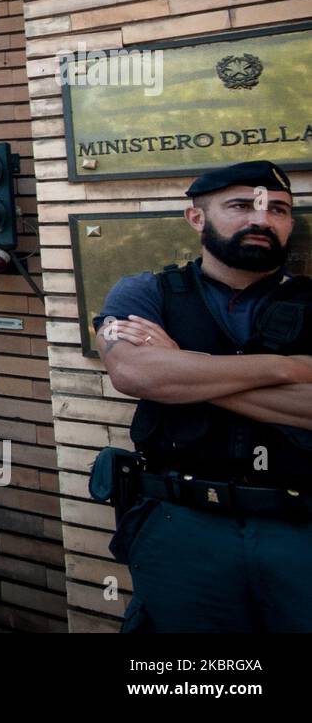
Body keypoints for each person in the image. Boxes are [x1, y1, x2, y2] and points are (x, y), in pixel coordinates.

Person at [90, 160, 312, 632]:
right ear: (197, 218)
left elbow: (161, 378)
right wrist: (287, 368)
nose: (261, 220)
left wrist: (182, 370)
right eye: (240, 206)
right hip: (182, 528)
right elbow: (133, 372)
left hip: (301, 531)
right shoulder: (142, 292)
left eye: (278, 209)